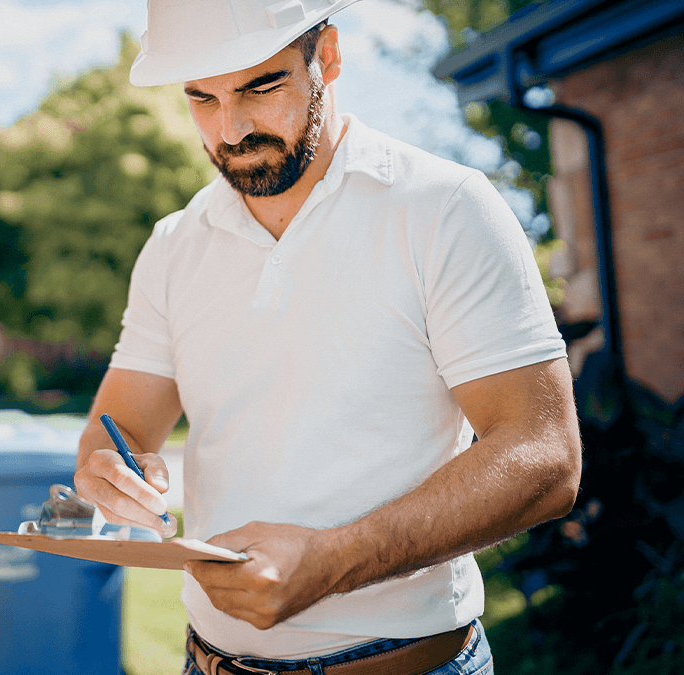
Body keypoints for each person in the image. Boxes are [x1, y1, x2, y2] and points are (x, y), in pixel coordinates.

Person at [73, 1, 583, 673]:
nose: (232, 128)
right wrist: (107, 468)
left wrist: (333, 561)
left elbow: (545, 456)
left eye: (262, 86)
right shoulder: (174, 246)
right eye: (202, 98)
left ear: (329, 57)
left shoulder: (445, 209)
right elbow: (116, 430)